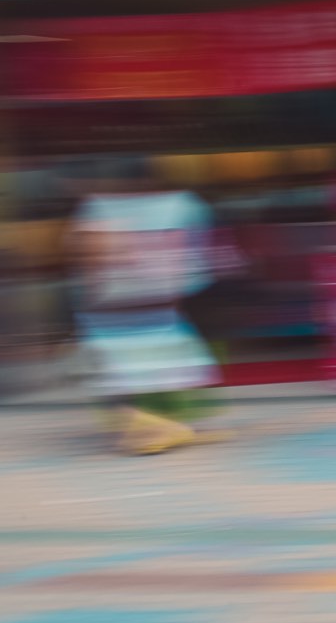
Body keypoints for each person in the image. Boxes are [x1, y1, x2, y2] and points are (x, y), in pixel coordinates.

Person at [66, 158, 225, 455]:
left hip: (114, 308)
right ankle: (159, 425)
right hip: (158, 304)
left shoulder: (99, 210)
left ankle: (152, 427)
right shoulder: (184, 205)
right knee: (161, 366)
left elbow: (92, 265)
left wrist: (91, 300)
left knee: (118, 371)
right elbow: (196, 259)